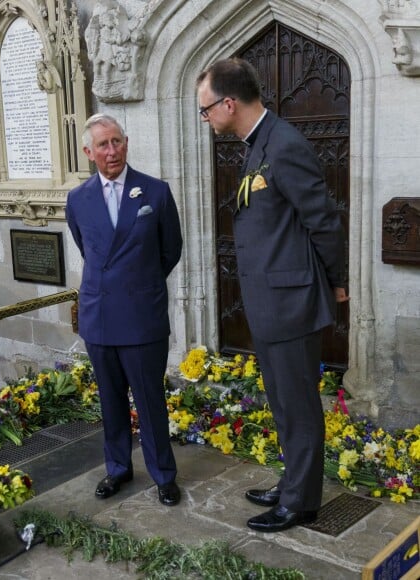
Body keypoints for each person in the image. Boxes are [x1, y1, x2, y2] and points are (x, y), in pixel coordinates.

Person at [196, 58, 349, 532]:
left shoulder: (283, 144)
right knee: (283, 402)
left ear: (228, 102)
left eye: (205, 110)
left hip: (291, 301)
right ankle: (292, 483)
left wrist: (337, 282)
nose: (205, 119)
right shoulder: (256, 143)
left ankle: (302, 503)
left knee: (298, 405)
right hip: (272, 301)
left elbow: (323, 219)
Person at [66, 113, 183, 506]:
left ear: (127, 143)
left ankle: (163, 474)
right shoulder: (78, 199)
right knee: (110, 400)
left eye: (117, 141)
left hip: (142, 315)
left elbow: (171, 249)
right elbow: (89, 249)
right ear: (88, 152)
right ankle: (117, 468)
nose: (111, 151)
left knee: (150, 400)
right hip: (99, 316)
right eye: (103, 144)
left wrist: (139, 283)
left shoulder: (155, 192)